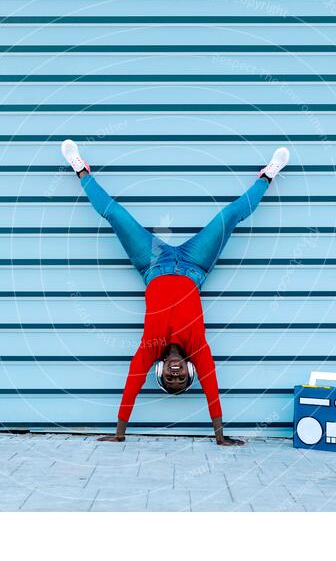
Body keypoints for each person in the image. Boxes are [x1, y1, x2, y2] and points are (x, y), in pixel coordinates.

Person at [61, 140, 289, 446]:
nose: (176, 374)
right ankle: (268, 176)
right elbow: (212, 387)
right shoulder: (198, 349)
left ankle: (81, 171)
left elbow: (131, 385)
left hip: (152, 263)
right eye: (181, 379)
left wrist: (119, 433)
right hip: (195, 264)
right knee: (230, 216)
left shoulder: (149, 348)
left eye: (170, 379)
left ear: (160, 371)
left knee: (115, 215)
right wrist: (220, 436)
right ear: (190, 370)